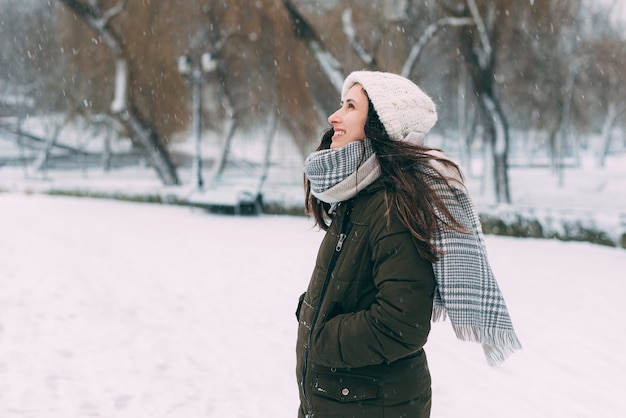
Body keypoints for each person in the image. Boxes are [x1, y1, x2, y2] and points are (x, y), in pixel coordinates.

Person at [296, 71, 521, 418]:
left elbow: (400, 323)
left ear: (380, 124)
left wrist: (322, 336)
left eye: (350, 106)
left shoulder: (393, 205)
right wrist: (311, 310)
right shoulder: (359, 193)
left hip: (371, 405)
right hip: (343, 400)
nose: (334, 116)